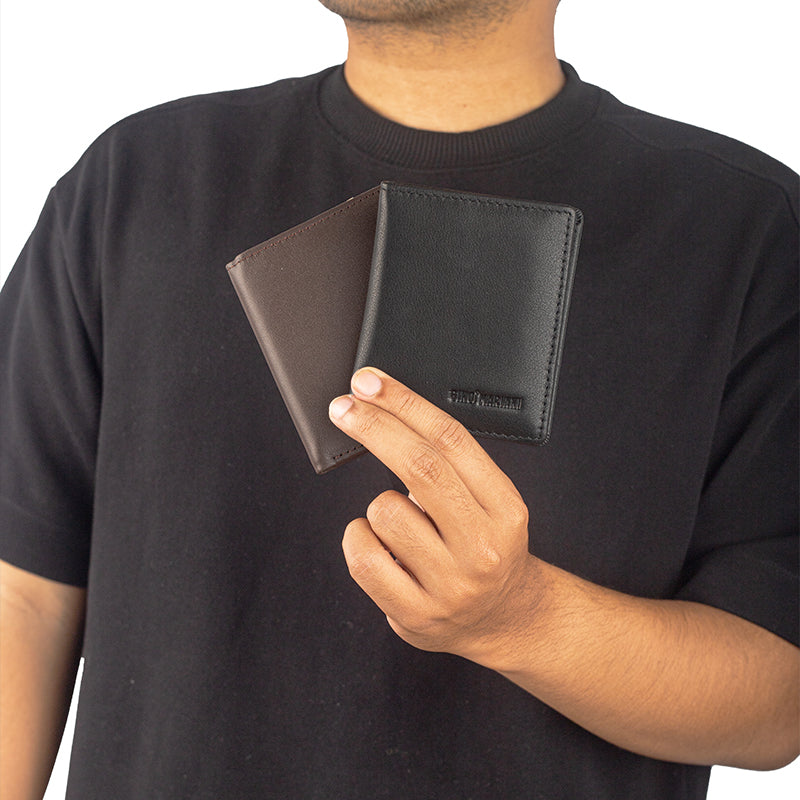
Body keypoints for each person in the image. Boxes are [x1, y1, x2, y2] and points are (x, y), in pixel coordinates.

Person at [0, 1, 797, 798]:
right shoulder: (137, 179)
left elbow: (779, 694)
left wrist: (523, 618)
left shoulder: (747, 231)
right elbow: (19, 594)